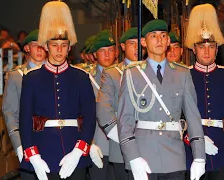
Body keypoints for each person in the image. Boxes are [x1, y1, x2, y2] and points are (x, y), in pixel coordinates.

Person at [117, 19, 205, 180]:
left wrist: (199, 157)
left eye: (163, 35)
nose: (159, 40)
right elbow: (125, 121)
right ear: (143, 42)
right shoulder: (132, 74)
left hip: (174, 157)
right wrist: (133, 157)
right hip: (143, 155)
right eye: (153, 36)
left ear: (168, 41)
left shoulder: (182, 73)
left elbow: (193, 117)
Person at [19, 1, 96, 180]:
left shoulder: (81, 77)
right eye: (54, 45)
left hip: (74, 151)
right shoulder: (31, 78)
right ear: (46, 47)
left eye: (64, 45)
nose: (59, 50)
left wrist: (79, 150)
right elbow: (24, 120)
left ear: (70, 47)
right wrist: (33, 155)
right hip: (43, 151)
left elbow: (90, 117)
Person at [185, 4, 224, 180]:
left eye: (211, 46)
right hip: (192, 153)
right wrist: (191, 138)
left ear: (217, 49)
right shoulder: (184, 76)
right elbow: (177, 117)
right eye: (201, 46)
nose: (206, 51)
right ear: (193, 49)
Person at [2, 29, 46, 179]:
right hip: (28, 142)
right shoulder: (16, 76)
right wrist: (19, 146)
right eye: (35, 45)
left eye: (43, 45)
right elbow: (10, 112)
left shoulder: (56, 73)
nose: (40, 50)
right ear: (27, 48)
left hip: (53, 142)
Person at [97, 27, 139, 180]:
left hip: (152, 147)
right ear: (122, 47)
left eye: (141, 43)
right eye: (132, 43)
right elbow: (103, 108)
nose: (137, 47)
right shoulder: (112, 73)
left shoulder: (155, 70)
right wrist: (121, 136)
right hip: (121, 146)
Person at [88, 29, 117, 180]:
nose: (107, 55)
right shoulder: (87, 79)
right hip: (98, 144)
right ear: (94, 55)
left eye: (111, 50)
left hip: (120, 145)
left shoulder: (125, 75)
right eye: (102, 51)